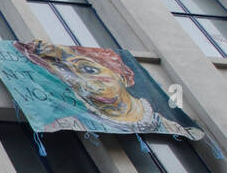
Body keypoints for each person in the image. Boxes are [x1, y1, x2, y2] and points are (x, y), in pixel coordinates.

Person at [15, 40, 201, 138]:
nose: (84, 82)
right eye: (71, 79)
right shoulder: (70, 121)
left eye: (89, 70)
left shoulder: (172, 125)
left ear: (124, 75)